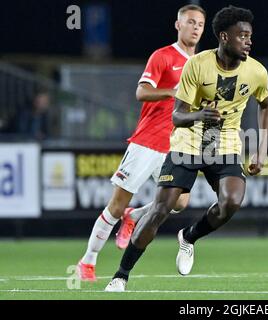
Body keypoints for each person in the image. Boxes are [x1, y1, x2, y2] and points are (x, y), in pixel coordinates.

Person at [105, 5, 268, 292]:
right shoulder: (197, 66)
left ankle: (189, 237)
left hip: (225, 144)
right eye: (242, 36)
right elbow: (177, 116)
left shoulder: (256, 71)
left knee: (231, 202)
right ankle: (121, 275)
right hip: (190, 142)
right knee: (160, 209)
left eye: (250, 36)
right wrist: (199, 115)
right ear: (223, 36)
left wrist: (262, 149)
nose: (248, 41)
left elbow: (266, 105)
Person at [76, 4, 206, 281]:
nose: (195, 27)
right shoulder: (163, 56)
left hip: (177, 144)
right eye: (191, 22)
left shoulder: (201, 64)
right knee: (116, 206)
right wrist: (172, 91)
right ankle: (87, 260)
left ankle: (135, 216)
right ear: (178, 24)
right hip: (147, 142)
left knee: (181, 202)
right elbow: (141, 91)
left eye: (200, 24)